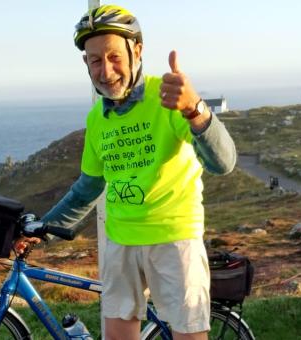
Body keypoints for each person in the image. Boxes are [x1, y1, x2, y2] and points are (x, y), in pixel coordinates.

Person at [22, 5, 237, 340]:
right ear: (85, 64)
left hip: (173, 239)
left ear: (136, 50)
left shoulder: (167, 97)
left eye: (114, 57)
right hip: (120, 242)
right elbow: (86, 190)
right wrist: (42, 230)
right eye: (95, 60)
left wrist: (195, 110)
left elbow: (223, 163)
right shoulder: (97, 120)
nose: (105, 71)